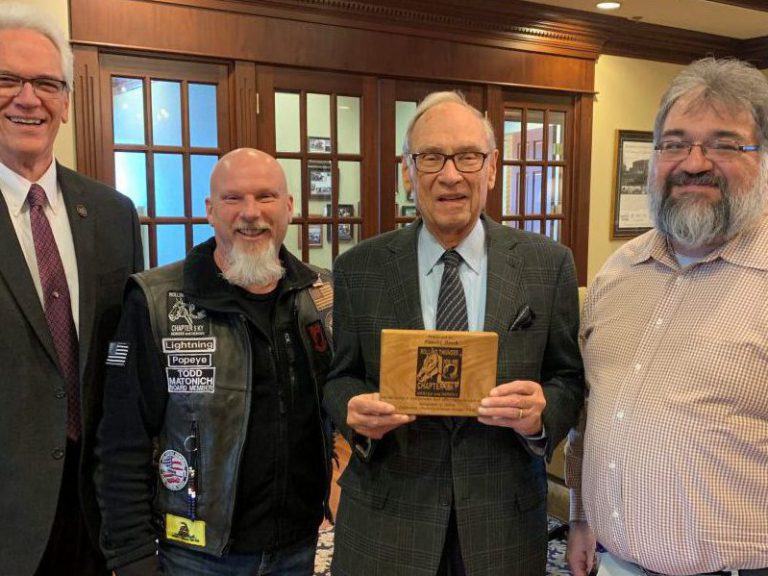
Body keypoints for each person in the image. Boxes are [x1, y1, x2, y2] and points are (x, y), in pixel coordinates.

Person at [323, 91, 584, 576]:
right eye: (431, 157)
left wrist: (541, 414)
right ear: (407, 171)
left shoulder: (548, 265)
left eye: (467, 156)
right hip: (386, 519)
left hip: (502, 522)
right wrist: (353, 410)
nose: (450, 175)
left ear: (492, 167)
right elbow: (340, 377)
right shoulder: (360, 268)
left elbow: (567, 377)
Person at [566, 57, 768, 576]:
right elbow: (591, 414)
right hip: (614, 562)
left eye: (724, 144)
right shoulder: (618, 272)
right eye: (674, 144)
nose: (694, 163)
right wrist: (581, 516)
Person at [95, 148, 334, 576]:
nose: (250, 213)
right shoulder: (156, 301)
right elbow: (122, 441)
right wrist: (131, 556)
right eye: (233, 198)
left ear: (289, 207)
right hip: (194, 557)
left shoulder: (321, 297)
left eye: (265, 196)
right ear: (210, 209)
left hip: (297, 548)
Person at [0, 4, 143, 574]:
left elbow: (127, 353)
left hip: (101, 510)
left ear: (65, 100)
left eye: (46, 83)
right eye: (7, 80)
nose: (27, 98)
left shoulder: (113, 214)